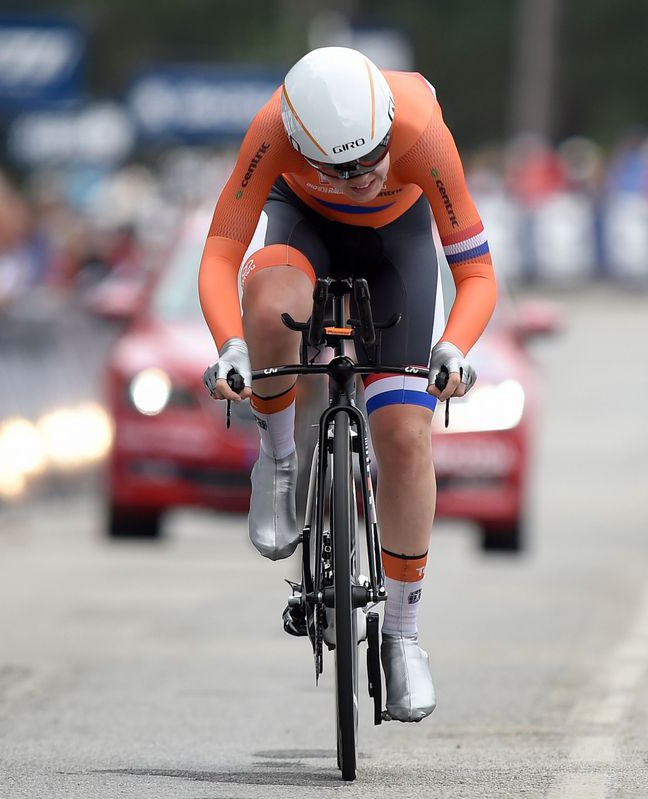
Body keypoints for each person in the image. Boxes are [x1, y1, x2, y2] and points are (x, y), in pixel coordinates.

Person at [198, 47, 496, 723]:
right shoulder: (271, 129)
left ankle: (401, 634)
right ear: (300, 143)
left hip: (400, 247)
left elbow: (475, 273)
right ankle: (277, 461)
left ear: (388, 125)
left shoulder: (419, 126)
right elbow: (219, 256)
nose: (361, 177)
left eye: (373, 156)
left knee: (404, 434)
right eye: (340, 166)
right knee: (273, 309)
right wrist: (231, 348)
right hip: (303, 226)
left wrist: (453, 347)